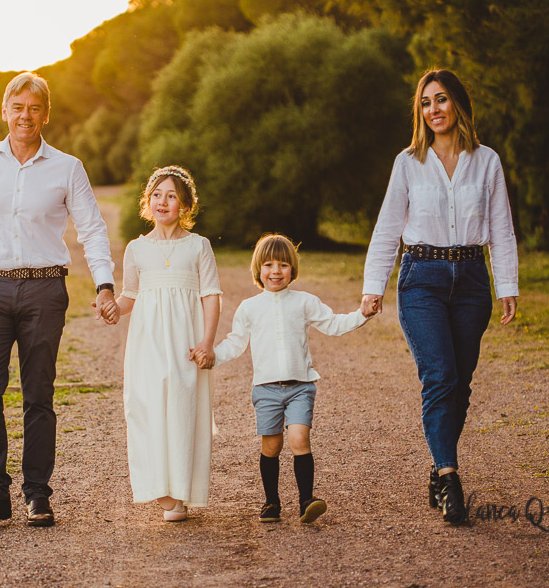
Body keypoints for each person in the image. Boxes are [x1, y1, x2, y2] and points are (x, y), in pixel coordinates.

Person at [0, 71, 119, 528]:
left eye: (34, 108)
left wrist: (104, 284)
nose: (25, 115)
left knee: (38, 394)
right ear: (5, 111)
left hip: (45, 289)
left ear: (46, 114)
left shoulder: (67, 167)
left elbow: (92, 230)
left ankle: (37, 494)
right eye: (17, 107)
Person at [360, 68, 519, 525]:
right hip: (421, 277)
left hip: (471, 279)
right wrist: (374, 287)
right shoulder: (408, 162)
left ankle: (437, 462)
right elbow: (388, 227)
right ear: (420, 111)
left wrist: (506, 285)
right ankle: (450, 477)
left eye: (442, 99)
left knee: (461, 383)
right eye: (426, 103)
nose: (434, 110)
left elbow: (502, 228)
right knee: (440, 375)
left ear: (459, 105)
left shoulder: (486, 160)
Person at [202, 234, 376, 524]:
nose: (276, 271)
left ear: (292, 269)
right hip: (266, 389)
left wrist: (362, 314)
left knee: (299, 438)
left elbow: (333, 324)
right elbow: (235, 343)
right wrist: (211, 356)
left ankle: (307, 500)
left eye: (283, 265)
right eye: (269, 264)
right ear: (258, 269)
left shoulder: (304, 302)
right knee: (271, 446)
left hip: (300, 387)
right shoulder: (249, 307)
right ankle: (271, 503)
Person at [103, 165, 221, 522]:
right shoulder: (137, 249)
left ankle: (181, 490)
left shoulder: (198, 246)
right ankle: (159, 488)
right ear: (147, 202)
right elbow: (129, 297)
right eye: (156, 195)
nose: (163, 201)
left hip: (186, 342)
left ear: (184, 204)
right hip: (148, 343)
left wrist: (207, 342)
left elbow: (211, 295)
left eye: (171, 196)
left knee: (184, 410)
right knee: (148, 409)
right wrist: (113, 310)